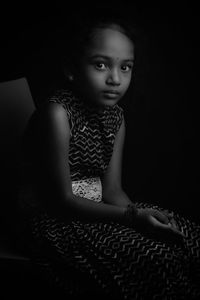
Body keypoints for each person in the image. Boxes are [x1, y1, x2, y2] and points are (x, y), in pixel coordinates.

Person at [18, 12, 200, 300]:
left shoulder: (116, 116)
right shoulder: (57, 113)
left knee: (188, 240)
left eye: (125, 67)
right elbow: (61, 201)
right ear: (71, 68)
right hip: (56, 221)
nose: (115, 79)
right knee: (154, 258)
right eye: (100, 65)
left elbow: (113, 190)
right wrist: (131, 219)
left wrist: (141, 222)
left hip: (100, 208)